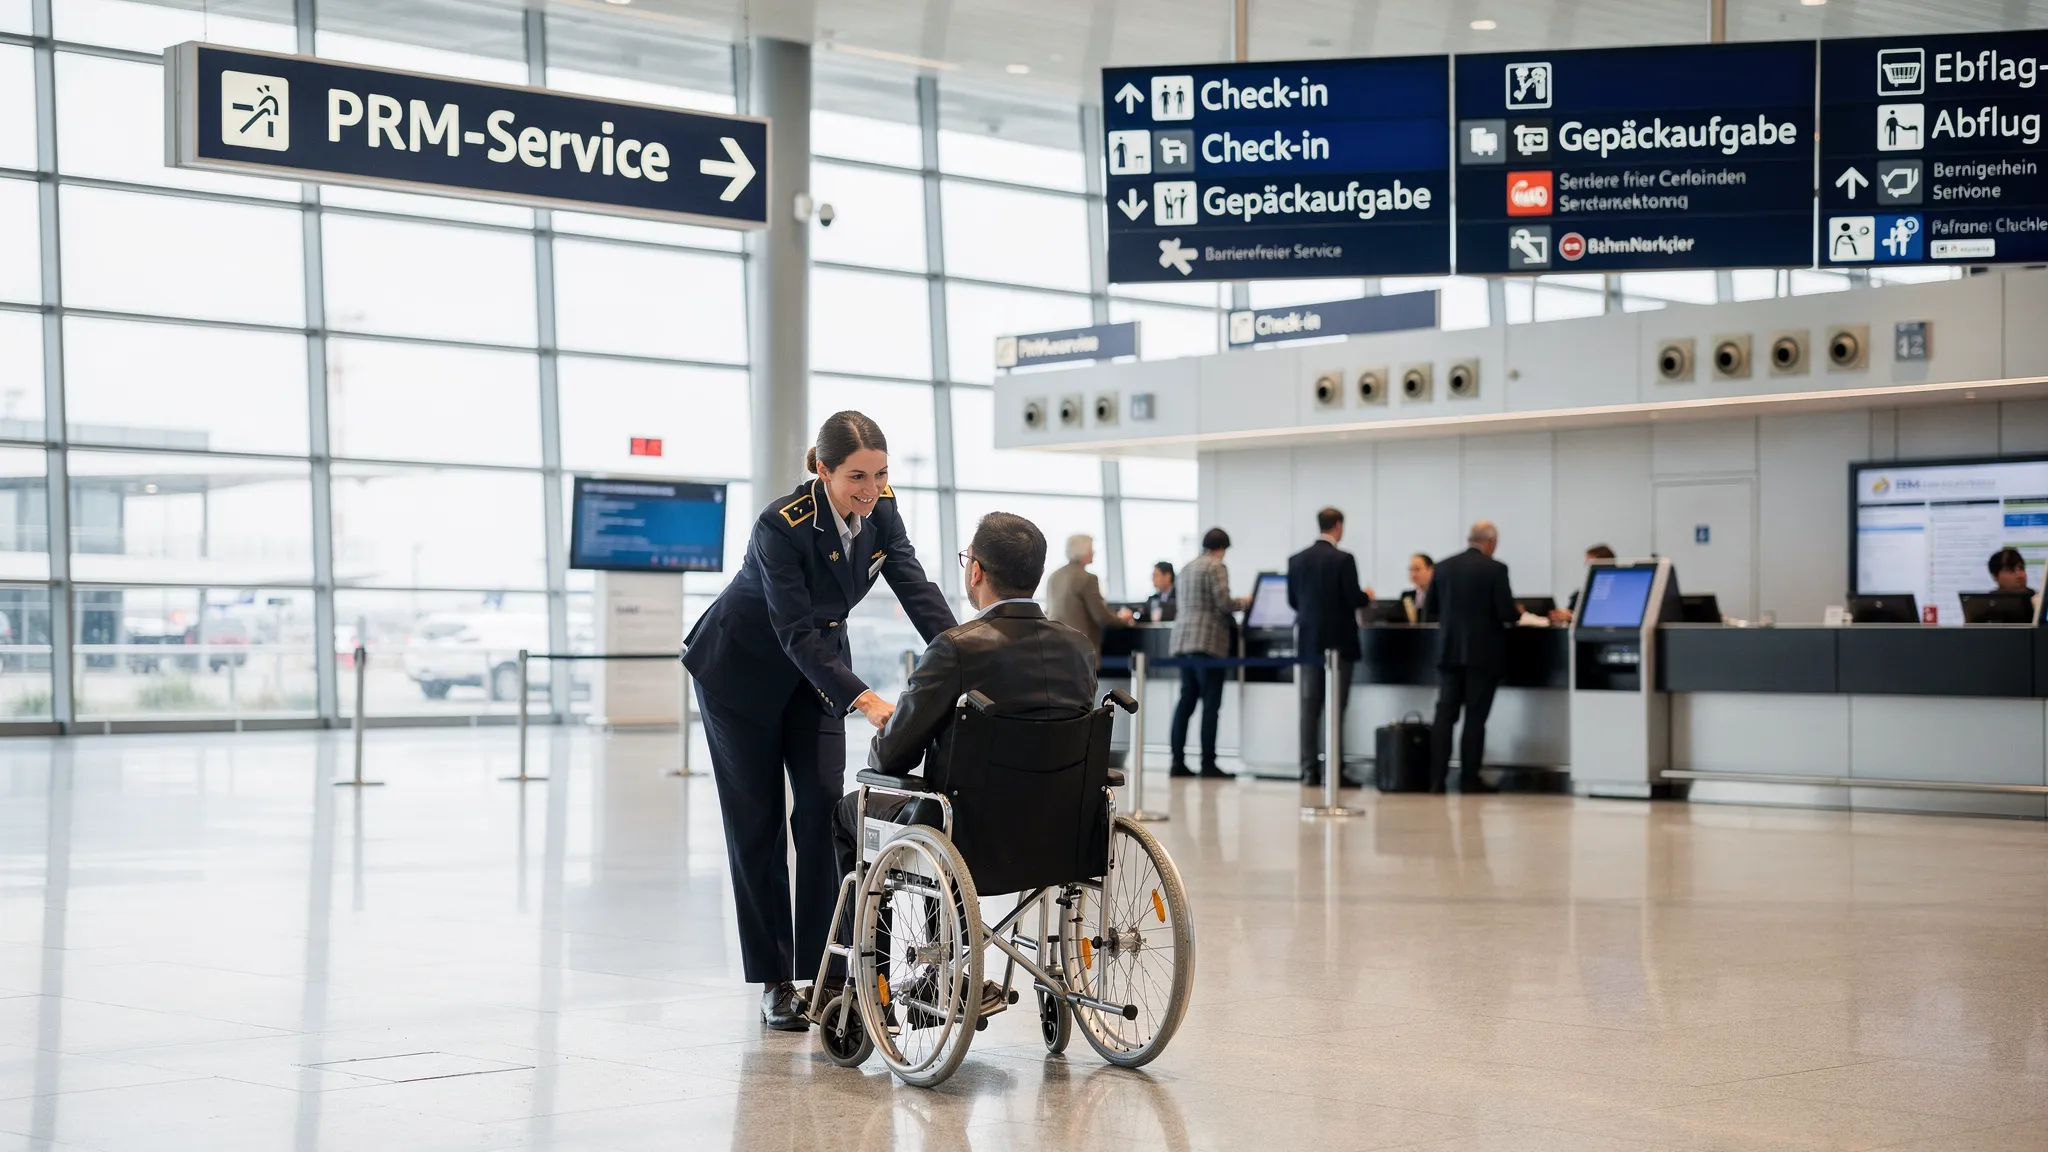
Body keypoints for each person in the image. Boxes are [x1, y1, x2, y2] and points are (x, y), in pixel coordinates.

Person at [683, 411, 956, 1032]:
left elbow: (917, 589)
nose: (872, 487)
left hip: (818, 675)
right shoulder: (780, 525)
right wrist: (864, 699)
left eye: (881, 473)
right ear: (823, 470)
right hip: (742, 673)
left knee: (824, 815)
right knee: (757, 824)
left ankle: (827, 972)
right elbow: (794, 629)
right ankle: (776, 979)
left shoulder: (883, 510)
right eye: (857, 475)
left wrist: (969, 656)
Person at [823, 512, 1095, 1007]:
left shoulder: (955, 650)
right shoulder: (1078, 649)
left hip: (968, 841)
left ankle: (866, 986)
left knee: (853, 812)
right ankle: (940, 975)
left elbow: (890, 757)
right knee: (939, 806)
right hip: (1064, 838)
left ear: (976, 572)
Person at [1429, 521, 1518, 794]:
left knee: (1445, 716)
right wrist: (1517, 611)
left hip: (1449, 652)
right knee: (1475, 718)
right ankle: (1469, 779)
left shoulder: (1442, 567)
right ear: (1490, 542)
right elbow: (1506, 613)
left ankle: (1436, 780)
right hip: (1482, 654)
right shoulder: (1496, 569)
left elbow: (1431, 608)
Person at [1287, 508, 1373, 787]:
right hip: (1339, 642)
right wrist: (1366, 597)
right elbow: (1353, 598)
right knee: (1335, 708)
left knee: (1309, 708)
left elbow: (1293, 601)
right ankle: (1334, 770)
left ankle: (1309, 770)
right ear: (1338, 526)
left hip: (1309, 641)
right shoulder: (1344, 559)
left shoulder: (1297, 560)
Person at [1169, 528, 1248, 779]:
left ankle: (1177, 762)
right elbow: (1223, 603)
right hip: (1209, 643)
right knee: (1210, 706)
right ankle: (1208, 764)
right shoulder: (1216, 566)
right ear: (1222, 548)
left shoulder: (1186, 568)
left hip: (1183, 641)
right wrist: (1246, 601)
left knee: (1185, 703)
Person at [1045, 534, 1133, 659]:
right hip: (1081, 650)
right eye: (1091, 549)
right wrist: (1122, 619)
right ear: (1083, 551)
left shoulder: (1054, 577)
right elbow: (1101, 617)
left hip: (1056, 646)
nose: (1094, 552)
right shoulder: (1088, 579)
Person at [1550, 544, 1616, 625]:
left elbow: (1608, 620)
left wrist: (1573, 617)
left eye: (1591, 563)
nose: (1587, 566)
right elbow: (1570, 616)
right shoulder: (1580, 595)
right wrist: (1562, 616)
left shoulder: (1616, 595)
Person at [1402, 553, 1437, 623]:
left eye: (1417, 569)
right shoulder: (1406, 596)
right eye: (1411, 569)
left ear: (1430, 570)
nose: (1413, 574)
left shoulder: (1440, 596)